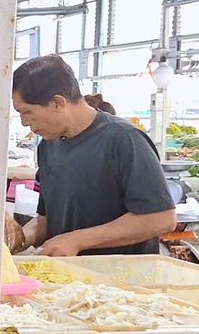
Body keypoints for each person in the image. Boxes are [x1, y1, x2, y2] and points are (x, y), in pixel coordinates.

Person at [9, 54, 176, 257]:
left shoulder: (124, 140)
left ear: (57, 103)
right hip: (65, 275)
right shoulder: (48, 147)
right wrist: (16, 239)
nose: (24, 122)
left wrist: (77, 240)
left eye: (26, 112)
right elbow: (46, 220)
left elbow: (161, 218)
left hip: (121, 275)